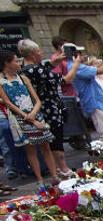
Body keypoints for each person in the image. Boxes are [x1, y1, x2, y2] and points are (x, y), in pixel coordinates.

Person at [0, 49, 60, 187]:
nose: (18, 63)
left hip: (33, 113)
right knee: (30, 149)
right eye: (15, 61)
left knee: (46, 145)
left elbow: (36, 99)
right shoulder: (1, 82)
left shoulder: (23, 78)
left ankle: (54, 175)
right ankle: (39, 180)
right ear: (6, 63)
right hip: (19, 117)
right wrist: (27, 117)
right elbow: (8, 102)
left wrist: (34, 113)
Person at [18, 39, 74, 177]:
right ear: (32, 54)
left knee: (48, 142)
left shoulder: (24, 70)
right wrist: (76, 64)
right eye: (38, 51)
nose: (41, 53)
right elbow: (65, 80)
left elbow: (44, 68)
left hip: (40, 110)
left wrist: (55, 62)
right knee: (56, 140)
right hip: (50, 108)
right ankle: (63, 168)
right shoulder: (38, 70)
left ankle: (57, 169)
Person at [66, 44, 103, 157]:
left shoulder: (75, 66)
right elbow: (102, 69)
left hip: (94, 101)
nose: (83, 56)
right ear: (75, 55)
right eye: (80, 53)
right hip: (93, 102)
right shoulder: (77, 67)